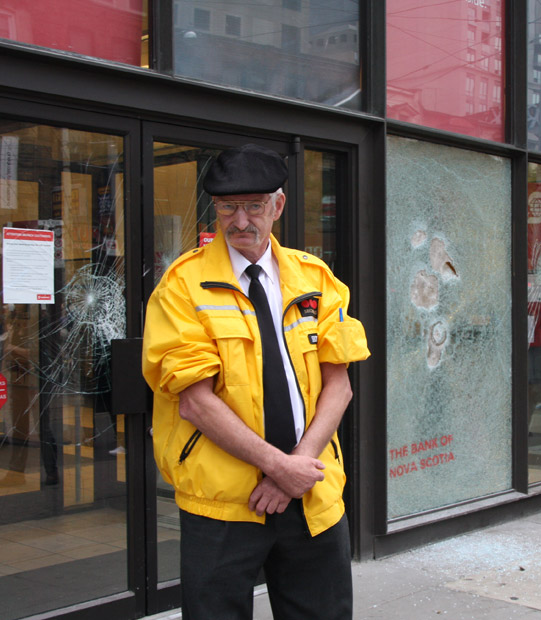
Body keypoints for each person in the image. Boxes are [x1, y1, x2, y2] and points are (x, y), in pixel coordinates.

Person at [142, 143, 369, 620]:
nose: (240, 221)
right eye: (227, 207)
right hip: (223, 502)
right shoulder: (181, 286)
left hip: (311, 493)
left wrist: (295, 468)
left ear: (278, 206)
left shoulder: (316, 279)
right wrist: (278, 467)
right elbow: (195, 403)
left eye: (254, 206)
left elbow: (340, 386)